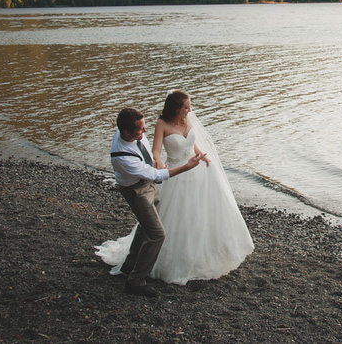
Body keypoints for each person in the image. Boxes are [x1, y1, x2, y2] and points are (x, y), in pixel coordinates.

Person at [96, 91, 254, 286]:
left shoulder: (187, 120)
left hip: (197, 172)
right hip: (176, 172)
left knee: (201, 213)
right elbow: (155, 151)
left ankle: (203, 251)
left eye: (189, 106)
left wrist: (203, 156)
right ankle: (148, 267)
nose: (189, 110)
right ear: (176, 108)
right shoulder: (161, 125)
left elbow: (192, 143)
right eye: (186, 107)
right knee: (174, 217)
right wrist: (160, 161)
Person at [104, 107, 203, 298]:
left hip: (147, 184)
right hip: (137, 191)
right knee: (157, 234)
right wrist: (186, 167)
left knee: (145, 226)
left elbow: (151, 164)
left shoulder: (125, 129)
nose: (145, 132)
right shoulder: (123, 158)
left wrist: (156, 159)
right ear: (126, 132)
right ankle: (135, 281)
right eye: (140, 130)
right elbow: (157, 176)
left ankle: (130, 264)